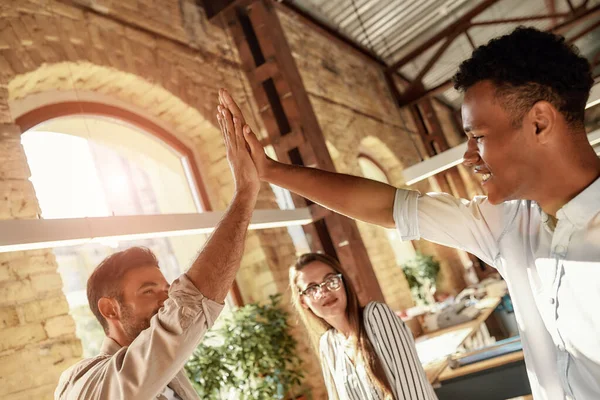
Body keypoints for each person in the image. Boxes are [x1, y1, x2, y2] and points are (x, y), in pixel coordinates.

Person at [218, 26, 600, 400]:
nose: (469, 156)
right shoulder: (509, 221)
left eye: (478, 136)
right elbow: (390, 206)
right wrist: (271, 171)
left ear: (539, 122)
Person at [55, 100, 260, 399]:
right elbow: (187, 306)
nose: (167, 300)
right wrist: (245, 191)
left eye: (166, 288)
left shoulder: (170, 375)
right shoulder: (86, 383)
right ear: (110, 308)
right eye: (149, 291)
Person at [290, 252, 437, 400]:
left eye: (330, 280)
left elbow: (414, 391)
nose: (324, 292)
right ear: (303, 302)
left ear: (343, 283)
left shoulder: (376, 316)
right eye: (312, 288)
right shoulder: (327, 345)